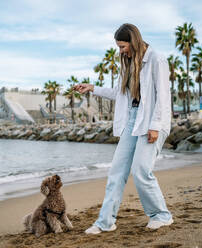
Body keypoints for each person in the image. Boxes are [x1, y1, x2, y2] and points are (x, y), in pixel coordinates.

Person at [74, 23, 173, 235]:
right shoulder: (128, 64)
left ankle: (161, 216)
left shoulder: (157, 59)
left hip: (152, 121)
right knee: (116, 172)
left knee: (140, 170)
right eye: (119, 47)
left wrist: (155, 127)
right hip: (132, 121)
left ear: (134, 40)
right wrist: (93, 88)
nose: (121, 51)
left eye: (123, 46)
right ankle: (105, 222)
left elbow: (163, 97)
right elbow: (120, 93)